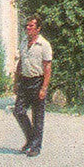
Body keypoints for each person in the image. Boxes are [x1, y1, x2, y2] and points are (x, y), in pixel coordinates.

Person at [12, 17, 52, 158]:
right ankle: (30, 138)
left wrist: (44, 88)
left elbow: (47, 67)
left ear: (38, 28)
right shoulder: (23, 42)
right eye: (27, 26)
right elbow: (20, 63)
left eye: (31, 26)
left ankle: (36, 146)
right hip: (24, 81)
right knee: (19, 111)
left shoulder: (44, 45)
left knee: (37, 116)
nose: (28, 28)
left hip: (37, 81)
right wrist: (16, 82)